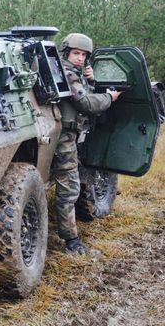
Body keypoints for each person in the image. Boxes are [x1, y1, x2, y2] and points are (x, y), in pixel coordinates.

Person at [53, 33, 122, 255]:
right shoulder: (66, 73)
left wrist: (90, 81)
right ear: (66, 53)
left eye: (83, 55)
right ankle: (72, 242)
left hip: (67, 135)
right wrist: (109, 97)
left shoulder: (71, 72)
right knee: (69, 188)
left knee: (68, 186)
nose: (80, 58)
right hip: (63, 138)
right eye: (76, 53)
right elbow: (85, 103)